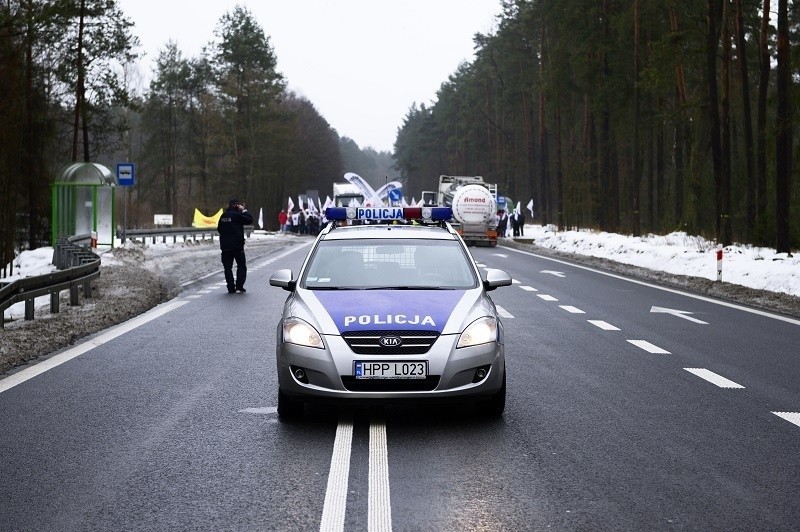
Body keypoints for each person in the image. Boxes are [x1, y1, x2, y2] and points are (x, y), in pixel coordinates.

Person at [217, 199, 253, 293]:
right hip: (237, 246)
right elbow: (249, 219)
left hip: (225, 247)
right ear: (237, 206)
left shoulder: (223, 216)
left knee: (227, 268)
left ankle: (230, 287)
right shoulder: (237, 215)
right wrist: (244, 210)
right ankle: (239, 285)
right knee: (241, 265)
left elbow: (219, 229)